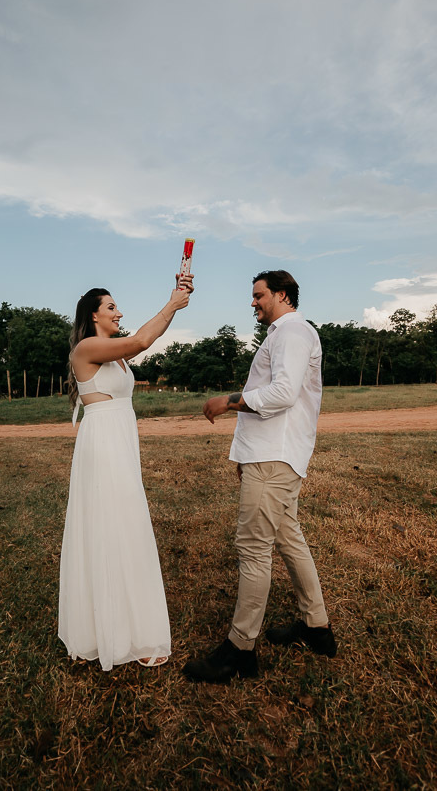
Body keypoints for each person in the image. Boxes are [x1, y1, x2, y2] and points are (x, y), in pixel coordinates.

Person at [183, 270, 336, 684]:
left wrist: (229, 401)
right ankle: (317, 627)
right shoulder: (283, 334)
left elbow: (283, 394)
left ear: (282, 295)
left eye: (259, 295)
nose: (253, 302)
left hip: (275, 459)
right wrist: (245, 455)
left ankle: (240, 650)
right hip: (270, 456)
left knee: (253, 548)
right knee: (288, 537)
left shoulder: (293, 332)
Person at [59, 277, 193, 671]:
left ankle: (129, 627)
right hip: (102, 446)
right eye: (112, 308)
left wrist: (178, 297)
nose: (120, 313)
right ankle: (106, 633)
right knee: (109, 525)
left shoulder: (114, 354)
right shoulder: (87, 348)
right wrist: (171, 304)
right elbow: (141, 341)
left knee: (125, 524)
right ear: (94, 315)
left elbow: (143, 338)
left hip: (121, 441)